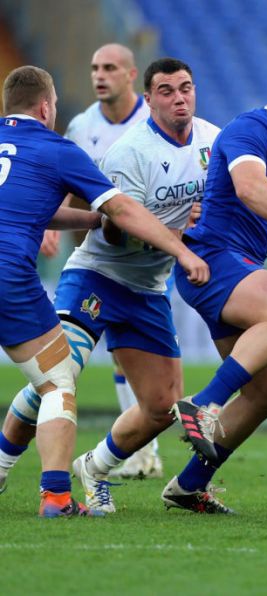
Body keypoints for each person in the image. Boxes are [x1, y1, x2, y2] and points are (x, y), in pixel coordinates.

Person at [0, 65, 208, 516]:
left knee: (160, 402)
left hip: (146, 289)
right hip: (73, 275)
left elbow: (39, 207)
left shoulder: (212, 139)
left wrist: (91, 220)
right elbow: (121, 212)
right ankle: (51, 492)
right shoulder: (73, 148)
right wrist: (183, 251)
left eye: (186, 88)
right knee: (57, 378)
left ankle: (91, 467)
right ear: (46, 107)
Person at [165, 67, 267, 513]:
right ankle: (203, 403)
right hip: (214, 259)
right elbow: (249, 187)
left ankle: (186, 486)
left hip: (237, 269)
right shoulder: (252, 127)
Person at [40, 43, 159, 479]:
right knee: (97, 352)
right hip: (96, 254)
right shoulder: (81, 125)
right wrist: (51, 225)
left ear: (131, 75)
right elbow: (62, 182)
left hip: (147, 260)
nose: (99, 75)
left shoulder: (152, 121)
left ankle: (142, 451)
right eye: (94, 67)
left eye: (109, 67)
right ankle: (141, 453)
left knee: (128, 354)